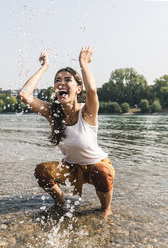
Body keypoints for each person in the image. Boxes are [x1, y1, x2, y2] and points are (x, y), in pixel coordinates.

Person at [18, 46, 115, 219]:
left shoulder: (87, 111)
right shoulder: (52, 112)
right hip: (71, 168)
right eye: (57, 80)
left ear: (78, 89)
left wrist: (83, 63)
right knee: (41, 171)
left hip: (96, 165)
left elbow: (92, 90)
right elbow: (25, 95)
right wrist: (44, 67)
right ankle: (61, 204)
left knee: (103, 172)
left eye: (67, 80)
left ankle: (105, 210)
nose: (61, 83)